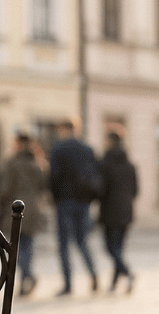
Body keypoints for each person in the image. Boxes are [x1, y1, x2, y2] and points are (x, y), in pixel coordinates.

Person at [47, 119, 99, 295]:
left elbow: (53, 177)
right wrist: (89, 198)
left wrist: (53, 198)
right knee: (82, 241)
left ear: (64, 129)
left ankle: (68, 284)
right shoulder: (87, 149)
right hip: (83, 202)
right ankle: (93, 275)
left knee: (63, 244)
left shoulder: (58, 149)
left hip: (64, 201)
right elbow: (96, 176)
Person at [0, 132, 48, 296]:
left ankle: (28, 277)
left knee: (16, 248)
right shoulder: (39, 163)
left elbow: (4, 189)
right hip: (34, 209)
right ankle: (26, 279)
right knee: (28, 247)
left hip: (16, 209)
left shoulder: (13, 163)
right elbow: (44, 186)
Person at [98, 131, 138, 292]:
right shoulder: (130, 165)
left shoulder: (105, 163)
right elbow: (136, 190)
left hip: (109, 210)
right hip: (126, 210)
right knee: (118, 248)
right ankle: (115, 282)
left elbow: (101, 188)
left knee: (110, 248)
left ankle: (127, 272)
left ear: (110, 141)